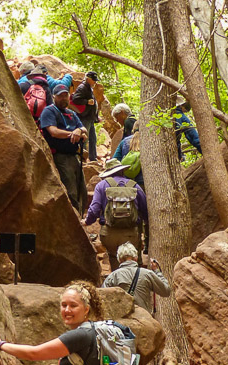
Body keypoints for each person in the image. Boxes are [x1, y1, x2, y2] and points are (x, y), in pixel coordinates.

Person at [103, 242, 171, 365]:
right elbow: (166, 290)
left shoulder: (114, 276)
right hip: (142, 333)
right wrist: (157, 272)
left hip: (119, 331)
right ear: (135, 257)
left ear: (119, 258)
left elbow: (101, 296)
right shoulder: (147, 274)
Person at [83, 159, 148, 270]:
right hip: (130, 233)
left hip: (109, 234)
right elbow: (146, 212)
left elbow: (94, 210)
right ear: (122, 171)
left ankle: (117, 280)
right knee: (131, 261)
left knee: (114, 258)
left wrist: (86, 221)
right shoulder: (135, 186)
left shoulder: (101, 186)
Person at [39, 84, 88, 213]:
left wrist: (78, 130)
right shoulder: (49, 111)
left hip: (73, 155)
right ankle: (74, 218)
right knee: (70, 190)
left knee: (81, 189)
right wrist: (73, 134)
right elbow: (53, 131)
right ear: (54, 96)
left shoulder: (71, 113)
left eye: (65, 95)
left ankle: (81, 217)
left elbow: (84, 129)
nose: (63, 98)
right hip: (60, 156)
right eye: (60, 96)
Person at [71, 70, 99, 162]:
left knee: (93, 139)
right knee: (84, 138)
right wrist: (87, 102)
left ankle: (93, 158)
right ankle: (82, 158)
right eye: (93, 80)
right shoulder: (82, 87)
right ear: (88, 79)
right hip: (84, 117)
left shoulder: (88, 87)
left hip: (89, 118)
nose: (95, 82)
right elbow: (76, 99)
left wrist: (96, 117)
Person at [174, 95, 202, 161]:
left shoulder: (175, 114)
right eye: (185, 110)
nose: (185, 112)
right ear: (181, 106)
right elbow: (192, 135)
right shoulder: (180, 116)